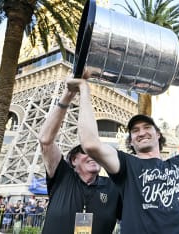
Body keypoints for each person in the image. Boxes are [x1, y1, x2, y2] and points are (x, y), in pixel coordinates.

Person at [67, 71, 179, 234]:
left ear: (158, 134)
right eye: (135, 131)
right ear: (131, 141)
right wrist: (84, 90)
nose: (141, 133)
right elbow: (90, 143)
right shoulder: (126, 166)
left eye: (147, 128)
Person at [38, 75, 122, 234]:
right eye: (85, 152)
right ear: (73, 160)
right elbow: (45, 140)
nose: (93, 154)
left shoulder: (112, 187)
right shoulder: (62, 176)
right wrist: (68, 95)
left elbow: (135, 216)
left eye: (95, 152)